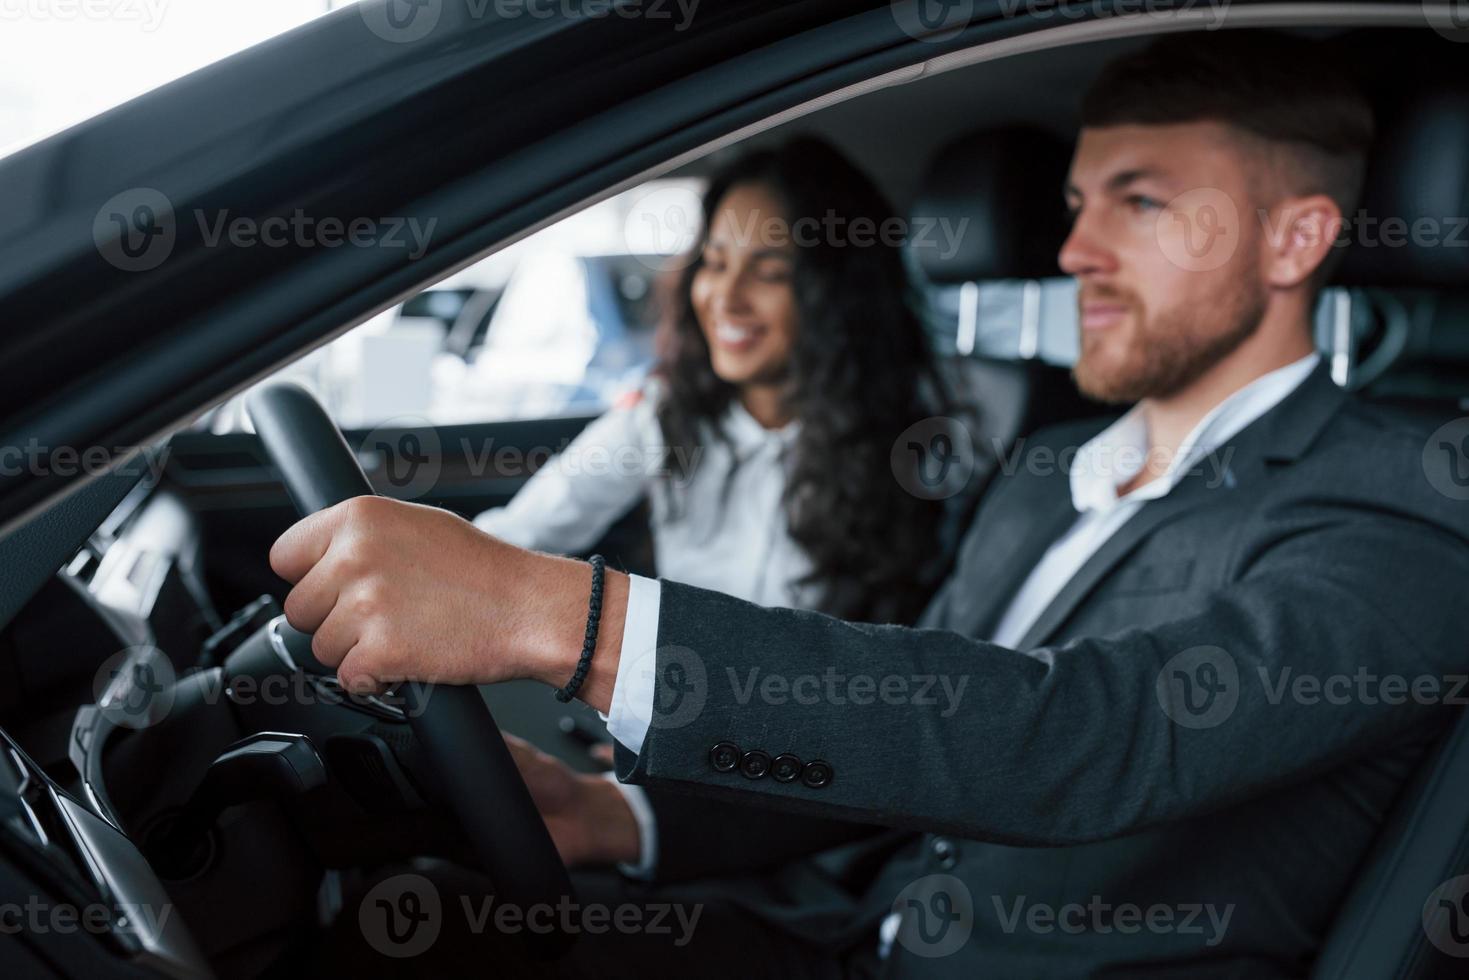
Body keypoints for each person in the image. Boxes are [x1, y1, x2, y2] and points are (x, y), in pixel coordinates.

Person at [271, 31, 1469, 978]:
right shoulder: (1051, 466)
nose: (1072, 251)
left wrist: (560, 615)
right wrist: (620, 819)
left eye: (1139, 203)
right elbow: (905, 729)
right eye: (1076, 202)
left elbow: (1084, 739)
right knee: (383, 917)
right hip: (853, 929)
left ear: (1292, 238)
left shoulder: (1401, 501)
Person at [474, 136, 949, 626]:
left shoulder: (911, 440)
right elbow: (521, 531)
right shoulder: (663, 417)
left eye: (768, 273)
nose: (726, 296)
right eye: (716, 264)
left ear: (836, 295)